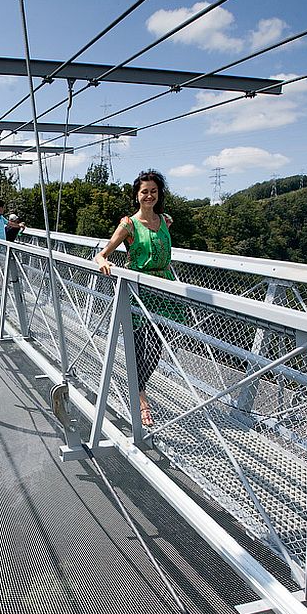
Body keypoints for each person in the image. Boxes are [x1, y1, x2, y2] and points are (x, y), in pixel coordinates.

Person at [94, 169, 186, 426]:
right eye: (144, 191)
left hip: (163, 288)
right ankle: (141, 398)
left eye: (153, 191)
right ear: (137, 195)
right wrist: (102, 261)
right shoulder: (129, 224)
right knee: (137, 347)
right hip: (136, 287)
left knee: (158, 346)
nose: (149, 196)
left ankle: (136, 386)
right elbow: (104, 253)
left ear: (159, 194)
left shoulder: (165, 220)